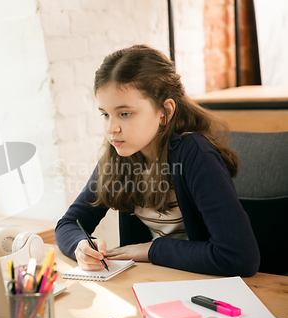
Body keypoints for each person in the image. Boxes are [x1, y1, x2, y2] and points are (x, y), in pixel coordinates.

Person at [55, 45, 260, 277]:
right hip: (155, 282)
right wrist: (80, 246)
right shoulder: (118, 156)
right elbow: (68, 225)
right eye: (105, 114)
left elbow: (239, 258)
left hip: (206, 285)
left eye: (125, 113)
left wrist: (150, 250)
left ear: (165, 111)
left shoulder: (194, 154)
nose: (112, 128)